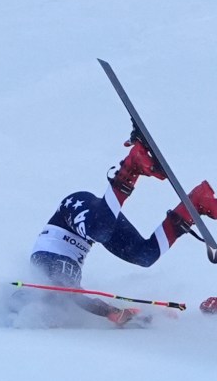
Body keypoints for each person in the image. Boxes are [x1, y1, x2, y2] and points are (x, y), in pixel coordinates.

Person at [27, 130, 217, 326]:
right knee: (145, 256)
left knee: (98, 232)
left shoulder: (45, 275)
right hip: (98, 226)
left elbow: (74, 296)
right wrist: (141, 316)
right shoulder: (66, 292)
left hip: (72, 211)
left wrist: (114, 313)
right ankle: (195, 204)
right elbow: (81, 298)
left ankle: (132, 165)